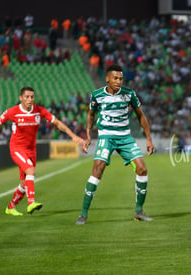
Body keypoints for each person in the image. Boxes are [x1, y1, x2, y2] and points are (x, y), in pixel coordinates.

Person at [0, 86, 86, 216]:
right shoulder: (12, 112)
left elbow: (58, 123)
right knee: (30, 170)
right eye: (27, 97)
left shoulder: (39, 111)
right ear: (21, 98)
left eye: (32, 97)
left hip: (31, 150)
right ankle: (31, 203)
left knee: (24, 184)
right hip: (17, 148)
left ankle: (10, 207)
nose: (30, 99)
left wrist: (74, 136)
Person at [76, 64, 155, 225]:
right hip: (106, 136)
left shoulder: (129, 94)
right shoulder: (97, 95)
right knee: (98, 169)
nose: (118, 81)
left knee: (142, 168)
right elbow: (91, 115)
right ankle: (83, 214)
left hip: (125, 137)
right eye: (115, 78)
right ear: (107, 79)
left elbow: (140, 115)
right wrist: (89, 135)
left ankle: (139, 211)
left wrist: (148, 138)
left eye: (120, 78)